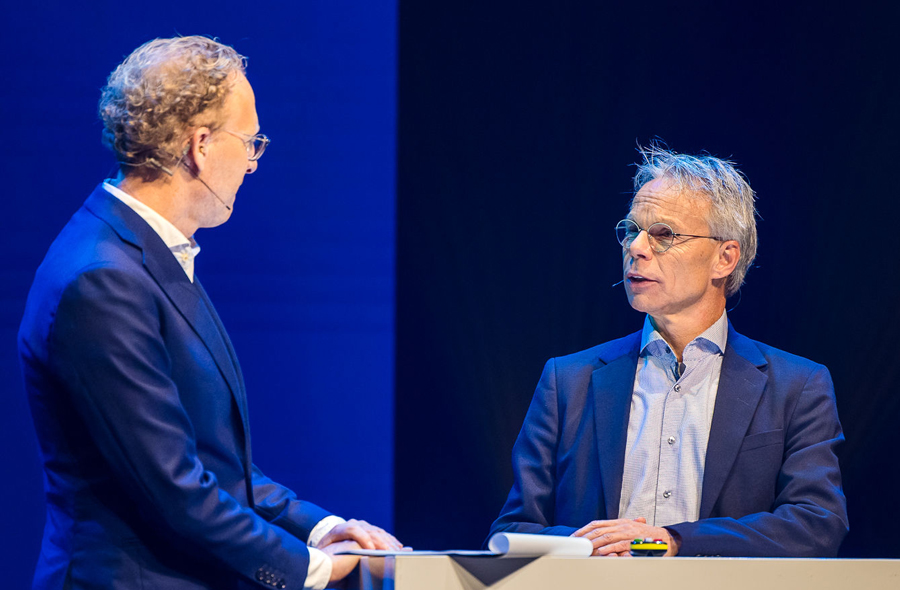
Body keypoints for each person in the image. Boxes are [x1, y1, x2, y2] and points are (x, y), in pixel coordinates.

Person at [19, 36, 400, 590]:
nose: (252, 163)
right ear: (200, 145)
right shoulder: (103, 279)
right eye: (250, 142)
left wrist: (322, 529)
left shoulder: (149, 253)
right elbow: (173, 487)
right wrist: (312, 569)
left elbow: (216, 464)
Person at [487, 145, 848, 557]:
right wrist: (592, 548)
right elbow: (514, 529)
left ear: (724, 258)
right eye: (631, 230)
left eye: (663, 234)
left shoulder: (797, 386)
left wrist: (669, 541)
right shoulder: (568, 381)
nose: (636, 248)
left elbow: (816, 525)